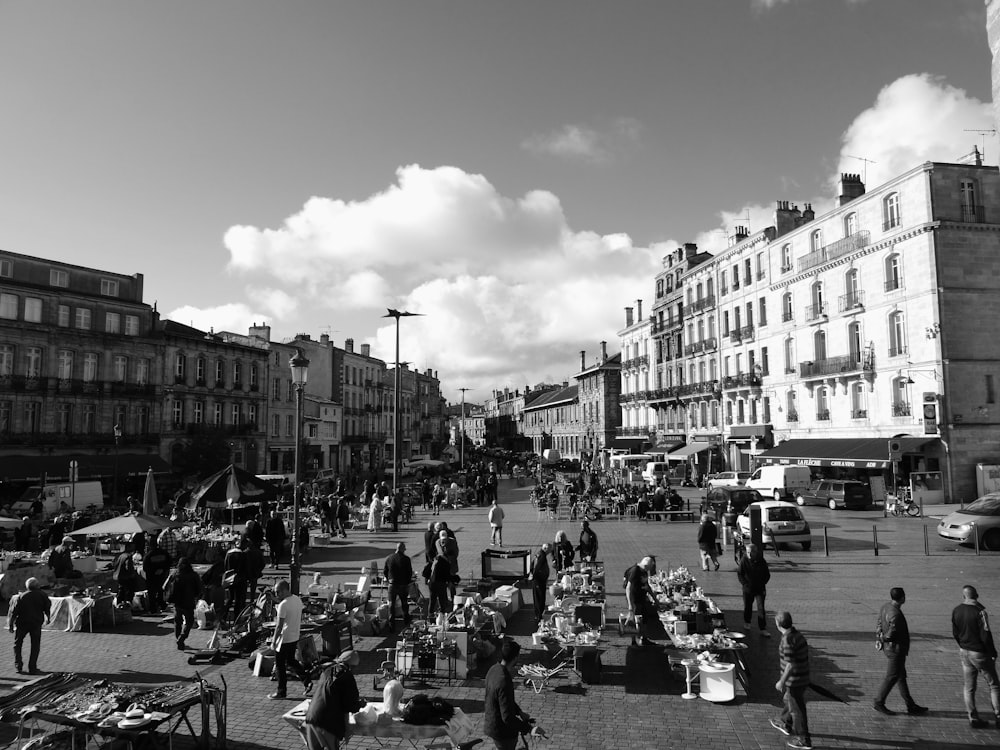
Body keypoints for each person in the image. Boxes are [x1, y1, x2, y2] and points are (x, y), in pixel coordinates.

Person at [951, 584, 1000, 729]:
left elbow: (955, 632)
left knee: (969, 687)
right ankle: (998, 715)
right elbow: (986, 635)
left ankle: (972, 717)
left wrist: (962, 644)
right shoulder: (980, 612)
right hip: (979, 652)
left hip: (964, 651)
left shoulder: (956, 610)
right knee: (994, 685)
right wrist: (992, 653)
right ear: (976, 595)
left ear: (963, 596)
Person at [873, 587, 928, 716]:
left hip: (890, 648)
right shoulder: (896, 614)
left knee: (901, 676)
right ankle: (879, 702)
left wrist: (878, 638)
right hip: (895, 650)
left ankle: (910, 704)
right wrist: (884, 638)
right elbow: (891, 633)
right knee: (892, 677)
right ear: (903, 598)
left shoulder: (885, 607)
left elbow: (879, 623)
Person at [302, 650, 363, 750]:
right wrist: (360, 704)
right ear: (352, 666)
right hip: (328, 722)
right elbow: (349, 705)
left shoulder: (327, 671)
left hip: (311, 717)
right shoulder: (347, 676)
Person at [770, 611, 812, 750]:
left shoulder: (787, 640)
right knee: (789, 700)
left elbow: (790, 664)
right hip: (802, 677)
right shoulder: (798, 635)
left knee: (797, 710)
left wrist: (781, 681)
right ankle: (784, 722)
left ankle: (804, 739)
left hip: (794, 680)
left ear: (778, 624)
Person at [484, 639, 537, 750]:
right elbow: (507, 718)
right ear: (515, 658)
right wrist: (529, 729)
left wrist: (519, 711)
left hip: (492, 723)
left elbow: (504, 700)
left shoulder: (493, 669)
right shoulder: (504, 680)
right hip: (502, 732)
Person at [268, 579, 312, 700]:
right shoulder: (297, 600)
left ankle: (281, 691)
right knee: (291, 660)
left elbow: (279, 626)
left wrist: (274, 641)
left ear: (284, 590)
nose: (277, 595)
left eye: (278, 592)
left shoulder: (283, 605)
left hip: (284, 638)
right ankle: (306, 679)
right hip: (294, 636)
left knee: (280, 665)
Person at [8, 578, 50, 674]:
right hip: (36, 622)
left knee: (17, 644)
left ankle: (18, 664)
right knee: (35, 645)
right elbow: (47, 607)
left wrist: (11, 624)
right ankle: (32, 667)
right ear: (37, 586)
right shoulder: (42, 595)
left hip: (22, 622)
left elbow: (14, 612)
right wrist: (48, 617)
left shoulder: (21, 596)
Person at [737, 543, 771, 636]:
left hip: (760, 588)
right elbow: (740, 573)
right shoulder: (744, 560)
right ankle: (747, 622)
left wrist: (762, 583)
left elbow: (767, 574)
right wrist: (745, 584)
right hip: (748, 588)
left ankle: (762, 628)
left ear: (756, 552)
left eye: (751, 552)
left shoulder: (761, 561)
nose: (749, 555)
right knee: (748, 606)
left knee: (761, 608)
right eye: (748, 552)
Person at [168, 557, 202, 650]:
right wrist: (196, 596)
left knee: (177, 622)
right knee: (189, 621)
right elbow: (199, 589)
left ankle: (179, 639)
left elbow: (165, 586)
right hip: (189, 601)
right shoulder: (193, 575)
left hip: (177, 602)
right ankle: (182, 637)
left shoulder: (175, 574)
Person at [624, 556, 657, 646]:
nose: (651, 569)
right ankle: (634, 641)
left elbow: (646, 585)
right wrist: (630, 605)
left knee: (644, 618)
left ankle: (644, 638)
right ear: (647, 565)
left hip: (642, 599)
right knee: (635, 621)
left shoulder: (644, 571)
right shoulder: (635, 571)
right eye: (651, 567)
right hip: (635, 600)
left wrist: (655, 598)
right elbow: (628, 588)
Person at [383, 542, 413, 632]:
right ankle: (406, 622)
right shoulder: (406, 559)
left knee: (391, 604)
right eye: (404, 549)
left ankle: (392, 625)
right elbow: (409, 572)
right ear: (402, 549)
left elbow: (385, 571)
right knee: (404, 603)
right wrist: (407, 582)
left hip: (392, 584)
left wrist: (389, 579)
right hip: (403, 584)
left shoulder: (389, 558)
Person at [142, 536, 172, 614]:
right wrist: (162, 569)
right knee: (160, 590)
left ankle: (153, 609)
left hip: (151, 577)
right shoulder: (164, 553)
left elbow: (145, 567)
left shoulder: (149, 555)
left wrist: (153, 571)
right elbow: (169, 562)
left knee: (152, 593)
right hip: (162, 576)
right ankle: (162, 605)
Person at [223, 542, 248, 624]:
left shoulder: (229, 554)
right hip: (240, 579)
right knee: (238, 599)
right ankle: (236, 618)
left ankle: (224, 615)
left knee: (230, 598)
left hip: (230, 578)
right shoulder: (242, 554)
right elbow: (245, 567)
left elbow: (226, 566)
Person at [427, 552, 453, 627]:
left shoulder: (434, 561)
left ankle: (430, 618)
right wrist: (449, 583)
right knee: (442, 601)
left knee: (432, 600)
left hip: (432, 583)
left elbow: (426, 572)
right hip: (441, 584)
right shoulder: (446, 563)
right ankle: (441, 619)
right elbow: (447, 575)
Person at [113, 542, 139, 607]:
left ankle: (119, 604)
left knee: (121, 590)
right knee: (129, 591)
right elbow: (128, 567)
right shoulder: (128, 556)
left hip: (119, 576)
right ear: (128, 547)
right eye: (132, 547)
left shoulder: (120, 555)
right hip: (126, 577)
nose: (134, 548)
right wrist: (132, 573)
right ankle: (127, 605)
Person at [530, 544, 551, 622]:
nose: (549, 552)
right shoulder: (541, 556)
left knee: (538, 598)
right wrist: (534, 577)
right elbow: (537, 567)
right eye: (549, 550)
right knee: (540, 598)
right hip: (539, 581)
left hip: (538, 580)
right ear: (545, 549)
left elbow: (533, 565)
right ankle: (539, 615)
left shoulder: (539, 554)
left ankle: (538, 615)